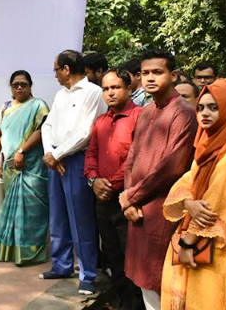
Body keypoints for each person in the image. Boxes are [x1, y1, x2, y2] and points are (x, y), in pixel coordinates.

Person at [120, 49, 197, 310]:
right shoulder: (145, 111)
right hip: (137, 209)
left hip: (163, 211)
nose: (149, 78)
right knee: (144, 282)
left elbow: (171, 168)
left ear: (173, 75)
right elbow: (132, 157)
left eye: (157, 72)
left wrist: (131, 196)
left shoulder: (183, 113)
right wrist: (129, 200)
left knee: (163, 282)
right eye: (145, 73)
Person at [160, 79, 226, 310]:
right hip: (198, 247)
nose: (205, 113)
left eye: (214, 107)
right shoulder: (207, 147)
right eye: (201, 107)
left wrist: (186, 244)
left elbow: (213, 207)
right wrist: (188, 202)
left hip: (214, 250)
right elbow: (186, 182)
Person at [39, 50, 107, 295]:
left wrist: (57, 155)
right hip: (55, 158)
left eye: (56, 69)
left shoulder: (93, 92)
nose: (55, 74)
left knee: (81, 218)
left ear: (66, 69)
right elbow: (47, 125)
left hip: (77, 159)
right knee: (57, 215)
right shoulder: (60, 94)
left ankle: (88, 272)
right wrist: (50, 153)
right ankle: (61, 264)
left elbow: (86, 132)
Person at [84, 68, 144, 310]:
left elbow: (137, 156)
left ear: (129, 89)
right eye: (106, 88)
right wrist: (94, 180)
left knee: (132, 258)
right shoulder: (101, 121)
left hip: (128, 199)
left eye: (116, 87)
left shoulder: (140, 116)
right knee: (112, 256)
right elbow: (91, 154)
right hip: (102, 199)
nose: (110, 93)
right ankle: (122, 303)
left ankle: (137, 305)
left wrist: (112, 185)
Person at [0, 70, 50, 266]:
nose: (19, 87)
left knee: (33, 211)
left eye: (23, 84)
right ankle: (11, 251)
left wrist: (22, 150)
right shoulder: (5, 108)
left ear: (30, 86)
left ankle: (30, 253)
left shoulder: (39, 106)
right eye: (15, 84)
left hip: (33, 166)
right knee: (13, 211)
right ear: (11, 87)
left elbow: (41, 132)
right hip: (10, 168)